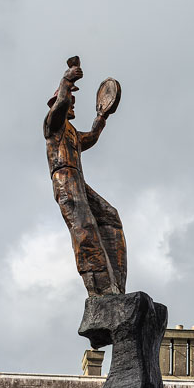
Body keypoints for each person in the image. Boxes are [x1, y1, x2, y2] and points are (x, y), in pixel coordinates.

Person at [43, 56, 126, 296]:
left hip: (77, 180)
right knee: (86, 229)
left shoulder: (72, 133)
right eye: (71, 100)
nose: (73, 104)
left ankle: (116, 285)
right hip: (65, 181)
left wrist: (101, 118)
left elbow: (89, 138)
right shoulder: (53, 125)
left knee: (110, 217)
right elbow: (58, 107)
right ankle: (100, 291)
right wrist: (67, 80)